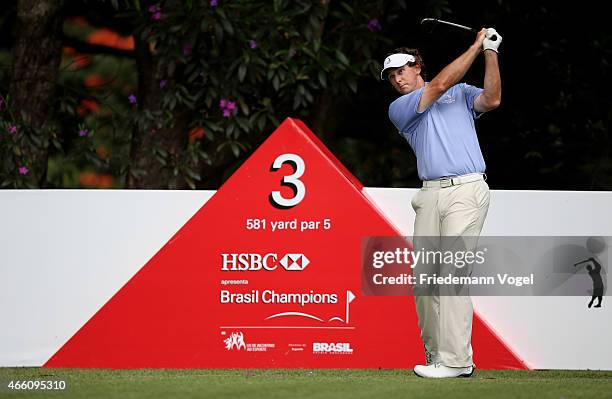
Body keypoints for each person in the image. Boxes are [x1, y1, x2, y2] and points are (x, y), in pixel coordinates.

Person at [380, 27, 503, 378]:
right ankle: (438, 356)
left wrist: (491, 51)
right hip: (430, 194)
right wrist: (476, 45)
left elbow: (492, 99)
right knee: (425, 281)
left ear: (417, 65)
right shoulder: (400, 108)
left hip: (466, 190)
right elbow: (438, 87)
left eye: (401, 70)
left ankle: (457, 361)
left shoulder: (461, 92)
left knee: (451, 273)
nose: (397, 79)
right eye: (391, 76)